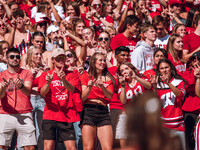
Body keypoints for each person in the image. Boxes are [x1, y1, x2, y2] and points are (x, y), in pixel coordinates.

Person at [38, 48, 80, 150]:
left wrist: (63, 80)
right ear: (52, 60)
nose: (61, 60)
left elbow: (73, 89)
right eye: (58, 58)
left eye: (62, 57)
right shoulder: (46, 74)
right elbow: (42, 92)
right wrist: (48, 82)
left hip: (66, 116)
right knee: (48, 147)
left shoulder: (72, 74)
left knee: (72, 148)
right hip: (50, 114)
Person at [0, 48, 37, 150]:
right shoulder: (1, 75)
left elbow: (27, 91)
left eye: (17, 56)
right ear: (6, 59)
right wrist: (2, 88)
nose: (15, 59)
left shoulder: (26, 73)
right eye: (12, 57)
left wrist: (21, 86)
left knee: (30, 147)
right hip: (5, 113)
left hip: (24, 113)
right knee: (2, 146)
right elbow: (0, 96)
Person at [80, 52, 116, 150]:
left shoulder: (108, 78)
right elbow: (83, 98)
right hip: (89, 111)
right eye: (100, 60)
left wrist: (102, 87)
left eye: (104, 60)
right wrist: (90, 87)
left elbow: (110, 95)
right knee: (88, 147)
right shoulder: (85, 76)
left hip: (103, 111)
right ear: (93, 62)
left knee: (107, 147)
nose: (103, 62)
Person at [152, 58, 187, 149]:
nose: (164, 70)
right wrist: (155, 87)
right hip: (163, 126)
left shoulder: (179, 82)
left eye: (166, 67)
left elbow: (180, 94)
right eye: (161, 68)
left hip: (178, 125)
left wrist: (168, 83)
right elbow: (155, 103)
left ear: (171, 68)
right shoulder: (157, 84)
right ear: (158, 71)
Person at [116, 62, 151, 148]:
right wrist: (123, 85)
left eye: (127, 68)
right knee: (124, 143)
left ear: (132, 69)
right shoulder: (121, 85)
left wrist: (136, 77)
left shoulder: (141, 79)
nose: (125, 71)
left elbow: (149, 86)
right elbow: (123, 101)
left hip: (143, 115)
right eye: (122, 71)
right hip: (127, 116)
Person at [24, 45, 46, 150]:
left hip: (42, 100)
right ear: (30, 55)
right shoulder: (24, 69)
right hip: (29, 99)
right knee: (28, 130)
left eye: (40, 54)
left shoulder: (43, 69)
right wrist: (32, 75)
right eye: (36, 54)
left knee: (42, 130)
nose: (39, 56)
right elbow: (23, 88)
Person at [181, 52, 200, 150]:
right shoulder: (187, 72)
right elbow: (186, 86)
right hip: (190, 109)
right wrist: (194, 75)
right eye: (194, 59)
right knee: (189, 138)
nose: (196, 61)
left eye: (198, 59)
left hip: (198, 109)